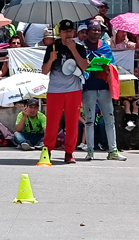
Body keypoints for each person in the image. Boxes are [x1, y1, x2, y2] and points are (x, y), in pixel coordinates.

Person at [42, 18, 89, 164]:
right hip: (55, 90)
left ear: (74, 32)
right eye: (65, 31)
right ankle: (47, 150)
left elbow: (85, 67)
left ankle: (69, 152)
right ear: (60, 33)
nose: (68, 34)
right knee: (52, 122)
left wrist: (74, 49)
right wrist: (51, 60)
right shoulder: (52, 47)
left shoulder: (80, 47)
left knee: (72, 123)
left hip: (74, 90)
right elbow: (44, 71)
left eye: (70, 31)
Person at [81, 19, 125, 161]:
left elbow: (113, 65)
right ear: (87, 32)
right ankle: (90, 151)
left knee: (110, 120)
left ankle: (113, 151)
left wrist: (107, 67)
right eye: (93, 30)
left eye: (98, 30)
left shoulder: (105, 47)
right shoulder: (81, 48)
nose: (96, 32)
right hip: (88, 88)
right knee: (89, 121)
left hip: (104, 88)